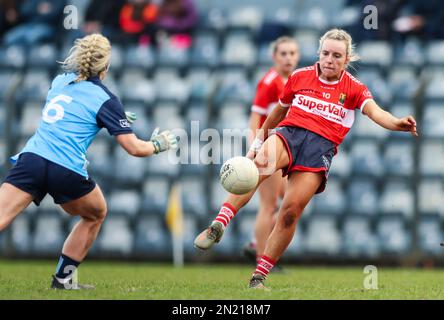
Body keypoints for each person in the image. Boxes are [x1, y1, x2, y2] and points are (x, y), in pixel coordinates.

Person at [194, 28, 418, 289]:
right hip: (289, 135)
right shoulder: (300, 76)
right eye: (325, 53)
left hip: (319, 149)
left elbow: (377, 112)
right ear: (318, 53)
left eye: (337, 55)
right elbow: (277, 113)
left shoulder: (355, 89)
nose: (329, 59)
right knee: (256, 168)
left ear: (347, 60)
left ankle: (259, 276)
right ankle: (218, 225)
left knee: (290, 213)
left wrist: (397, 123)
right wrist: (256, 144)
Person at [0, 34, 178, 290]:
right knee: (95, 213)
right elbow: (134, 148)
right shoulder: (106, 99)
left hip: (33, 160)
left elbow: (73, 110)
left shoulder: (59, 81)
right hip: (65, 169)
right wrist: (158, 144)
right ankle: (63, 279)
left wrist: (113, 118)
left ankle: (64, 280)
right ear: (105, 67)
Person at [242, 36, 300, 267]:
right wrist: (254, 147)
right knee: (269, 206)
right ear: (274, 57)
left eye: (292, 53)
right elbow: (256, 116)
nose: (288, 58)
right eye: (283, 53)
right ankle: (260, 258)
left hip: (285, 147)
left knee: (293, 204)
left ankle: (257, 244)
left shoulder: (295, 80)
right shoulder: (269, 82)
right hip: (269, 148)